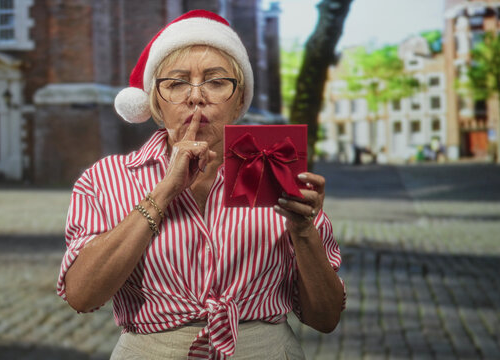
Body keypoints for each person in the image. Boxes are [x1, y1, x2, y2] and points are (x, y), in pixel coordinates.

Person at [57, 10, 345, 359]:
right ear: (155, 102)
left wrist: (303, 231)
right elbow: (82, 295)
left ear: (240, 100)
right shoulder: (106, 178)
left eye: (216, 81)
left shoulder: (276, 170)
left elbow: (325, 317)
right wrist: (164, 192)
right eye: (176, 83)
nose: (196, 97)